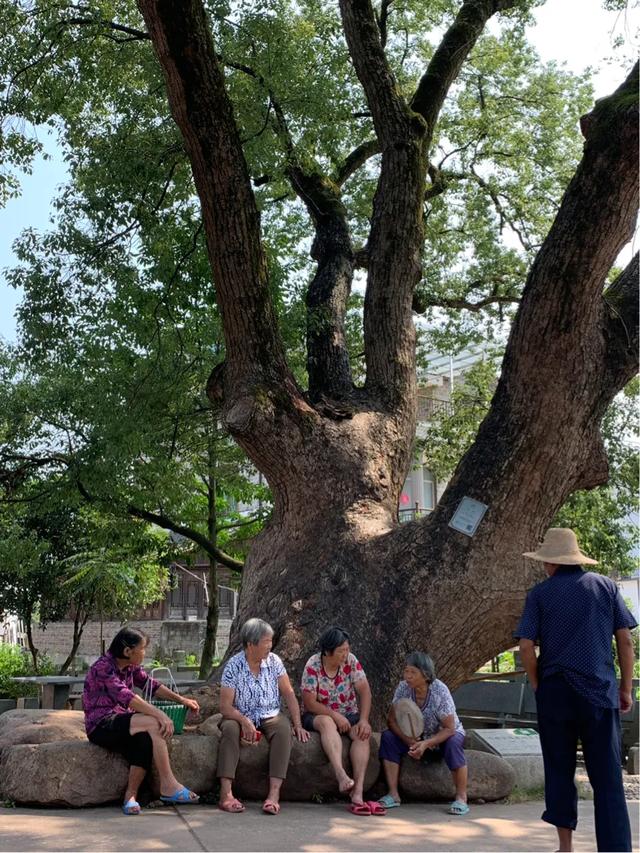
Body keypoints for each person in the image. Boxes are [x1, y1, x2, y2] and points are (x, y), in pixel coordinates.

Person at [515, 527, 637, 853]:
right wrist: (626, 688)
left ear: (551, 563)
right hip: (599, 692)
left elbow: (527, 645)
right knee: (608, 777)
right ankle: (615, 849)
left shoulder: (539, 594)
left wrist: (538, 682)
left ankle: (565, 847)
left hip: (556, 693)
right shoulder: (606, 587)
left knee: (559, 769)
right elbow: (625, 641)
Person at [83, 626, 200, 815]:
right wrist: (160, 715)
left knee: (144, 740)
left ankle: (130, 796)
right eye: (143, 649)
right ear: (128, 651)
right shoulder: (102, 668)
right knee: (153, 723)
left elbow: (150, 685)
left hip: (123, 722)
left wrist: (182, 699)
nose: (145, 653)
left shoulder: (130, 667)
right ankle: (169, 785)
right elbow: (128, 698)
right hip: (101, 725)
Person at [218, 617, 309, 815]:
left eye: (270, 641)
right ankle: (226, 794)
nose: (270, 645)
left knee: (283, 729)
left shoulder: (274, 662)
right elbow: (225, 707)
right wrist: (244, 721)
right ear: (251, 644)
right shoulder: (233, 666)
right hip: (239, 714)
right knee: (230, 729)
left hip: (270, 714)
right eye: (266, 641)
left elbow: (289, 693)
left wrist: (298, 724)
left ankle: (273, 795)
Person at [301, 626, 381, 815]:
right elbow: (309, 703)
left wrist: (363, 720)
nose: (345, 654)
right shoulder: (313, 664)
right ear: (327, 652)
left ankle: (358, 791)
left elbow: (364, 691)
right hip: (319, 714)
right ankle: (340, 774)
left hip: (349, 713)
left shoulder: (351, 661)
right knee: (327, 723)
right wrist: (335, 716)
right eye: (341, 651)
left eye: (347, 649)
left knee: (362, 735)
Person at [377, 651, 468, 814]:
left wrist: (426, 744)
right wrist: (409, 741)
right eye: (406, 671)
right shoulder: (403, 688)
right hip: (414, 738)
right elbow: (391, 721)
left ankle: (461, 797)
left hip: (441, 735)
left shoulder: (440, 690)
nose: (408, 676)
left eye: (413, 672)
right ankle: (393, 794)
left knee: (453, 743)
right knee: (388, 737)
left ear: (425, 675)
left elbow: (450, 728)